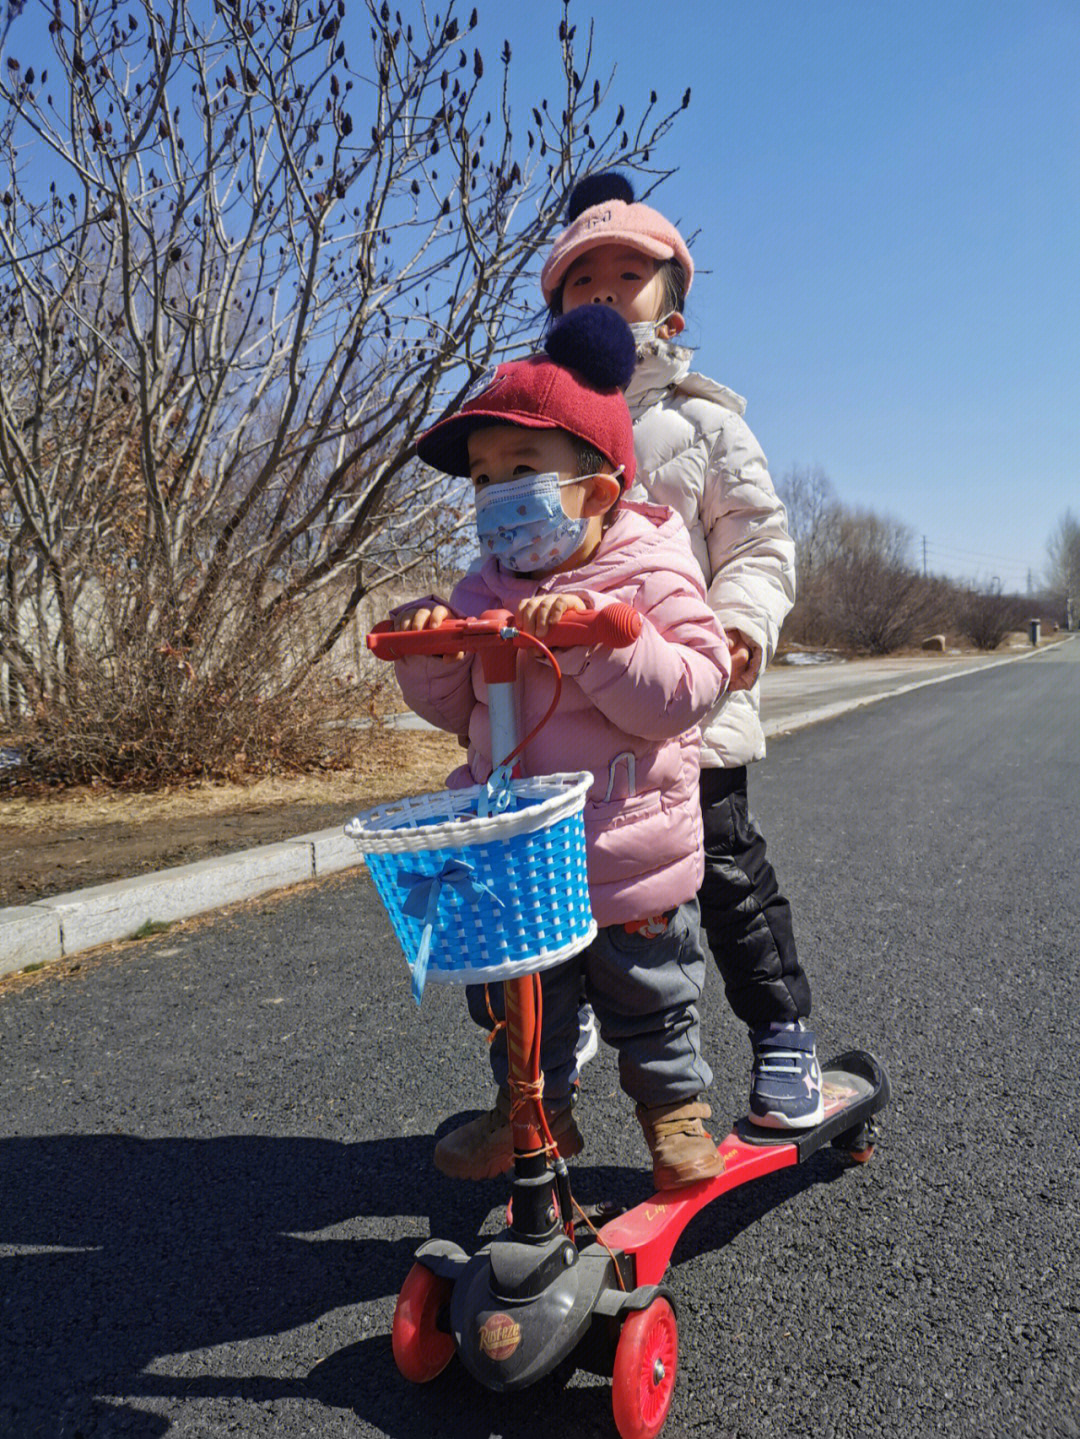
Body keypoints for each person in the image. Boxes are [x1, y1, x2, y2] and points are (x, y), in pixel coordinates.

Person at [388, 305, 733, 1189]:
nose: (499, 491)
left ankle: (674, 1114)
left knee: (650, 998)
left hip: (625, 854)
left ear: (600, 489)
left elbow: (692, 688)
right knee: (518, 1006)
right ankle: (533, 1114)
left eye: (524, 469)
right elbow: (451, 705)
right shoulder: (483, 586)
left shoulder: (650, 571)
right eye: (482, 476)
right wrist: (433, 651)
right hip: (519, 856)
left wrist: (594, 643)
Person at [540, 170, 823, 1129]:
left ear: (673, 298)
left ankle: (782, 1030)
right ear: (558, 307)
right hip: (579, 721)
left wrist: (741, 626)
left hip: (693, 705)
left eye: (632, 273)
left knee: (727, 877)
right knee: (571, 886)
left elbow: (756, 543)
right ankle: (566, 1036)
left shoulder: (705, 422)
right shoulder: (542, 436)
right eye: (585, 281)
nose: (608, 292)